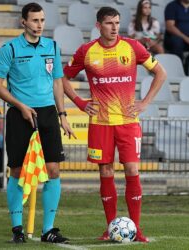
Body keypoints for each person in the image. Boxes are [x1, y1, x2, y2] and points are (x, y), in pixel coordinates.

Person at [62, 6, 167, 243]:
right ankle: (111, 227)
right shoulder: (87, 52)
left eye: (117, 23)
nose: (114, 28)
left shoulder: (132, 47)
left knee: (132, 170)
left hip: (128, 122)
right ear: (98, 26)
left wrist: (145, 102)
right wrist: (79, 102)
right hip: (100, 123)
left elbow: (161, 73)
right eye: (109, 23)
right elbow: (61, 77)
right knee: (105, 172)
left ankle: (137, 229)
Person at [0, 2, 75, 244]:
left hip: (48, 114)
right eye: (35, 20)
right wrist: (20, 106)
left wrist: (62, 115)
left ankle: (48, 230)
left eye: (42, 20)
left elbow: (58, 82)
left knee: (53, 170)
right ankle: (17, 228)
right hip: (20, 115)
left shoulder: (53, 47)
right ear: (23, 22)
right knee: (17, 170)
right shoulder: (9, 49)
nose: (39, 25)